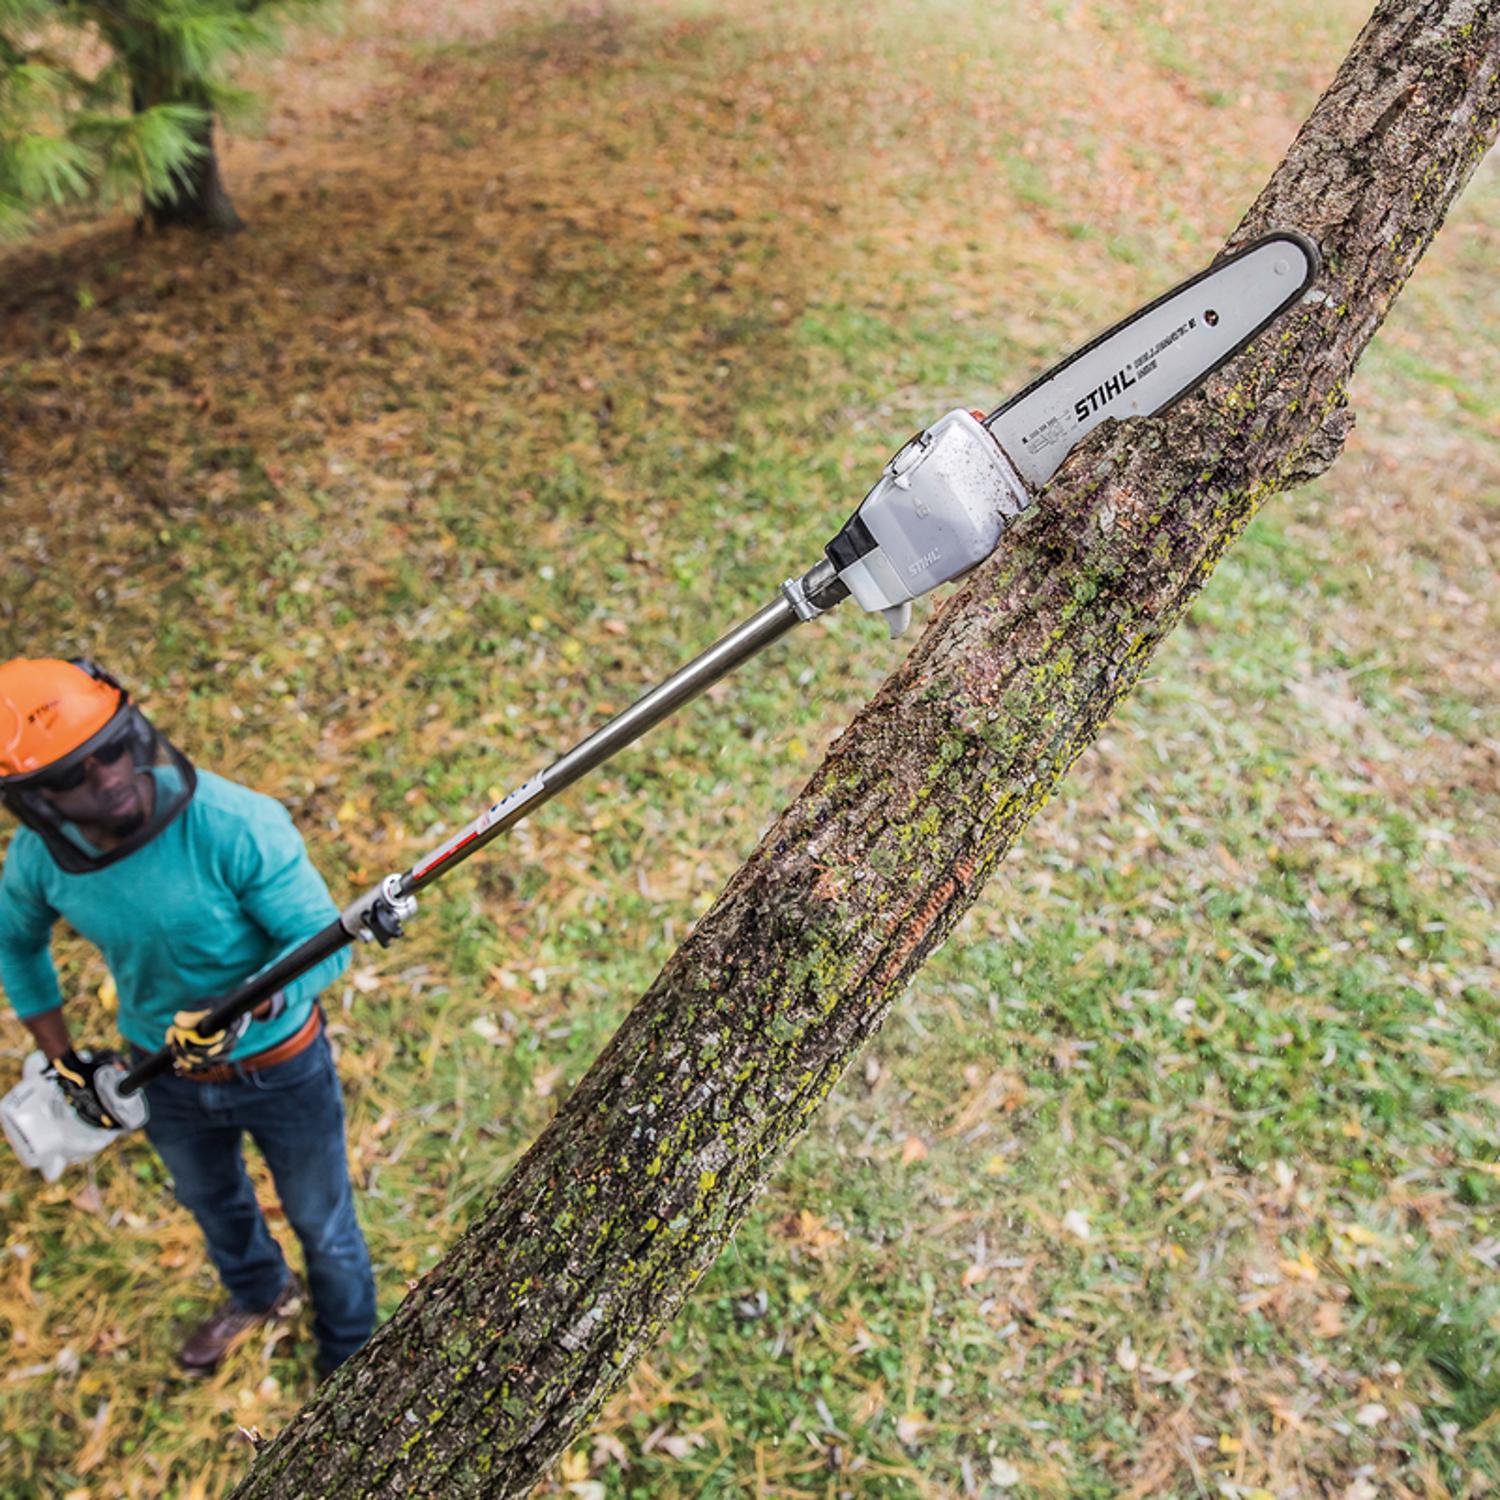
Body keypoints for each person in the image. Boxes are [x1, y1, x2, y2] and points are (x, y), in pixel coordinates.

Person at [0, 657, 375, 1377]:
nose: (107, 776)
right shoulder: (39, 862)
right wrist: (60, 1055)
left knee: (323, 1224)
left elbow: (323, 944)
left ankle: (350, 1356)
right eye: (73, 774)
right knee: (214, 1204)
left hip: (281, 1067)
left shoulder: (236, 823)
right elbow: (16, 949)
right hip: (160, 1074)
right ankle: (259, 1292)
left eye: (112, 749)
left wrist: (249, 1001)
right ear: (34, 800)